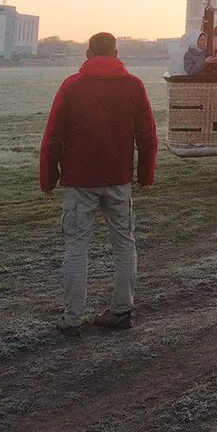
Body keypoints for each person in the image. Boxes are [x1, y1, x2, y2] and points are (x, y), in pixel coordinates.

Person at [39, 32, 157, 335]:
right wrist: (145, 175)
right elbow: (147, 136)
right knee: (124, 245)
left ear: (88, 52)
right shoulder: (134, 86)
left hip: (80, 181)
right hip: (118, 180)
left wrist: (48, 178)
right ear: (116, 52)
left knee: (76, 247)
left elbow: (53, 137)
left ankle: (73, 318)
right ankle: (121, 311)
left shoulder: (72, 86)